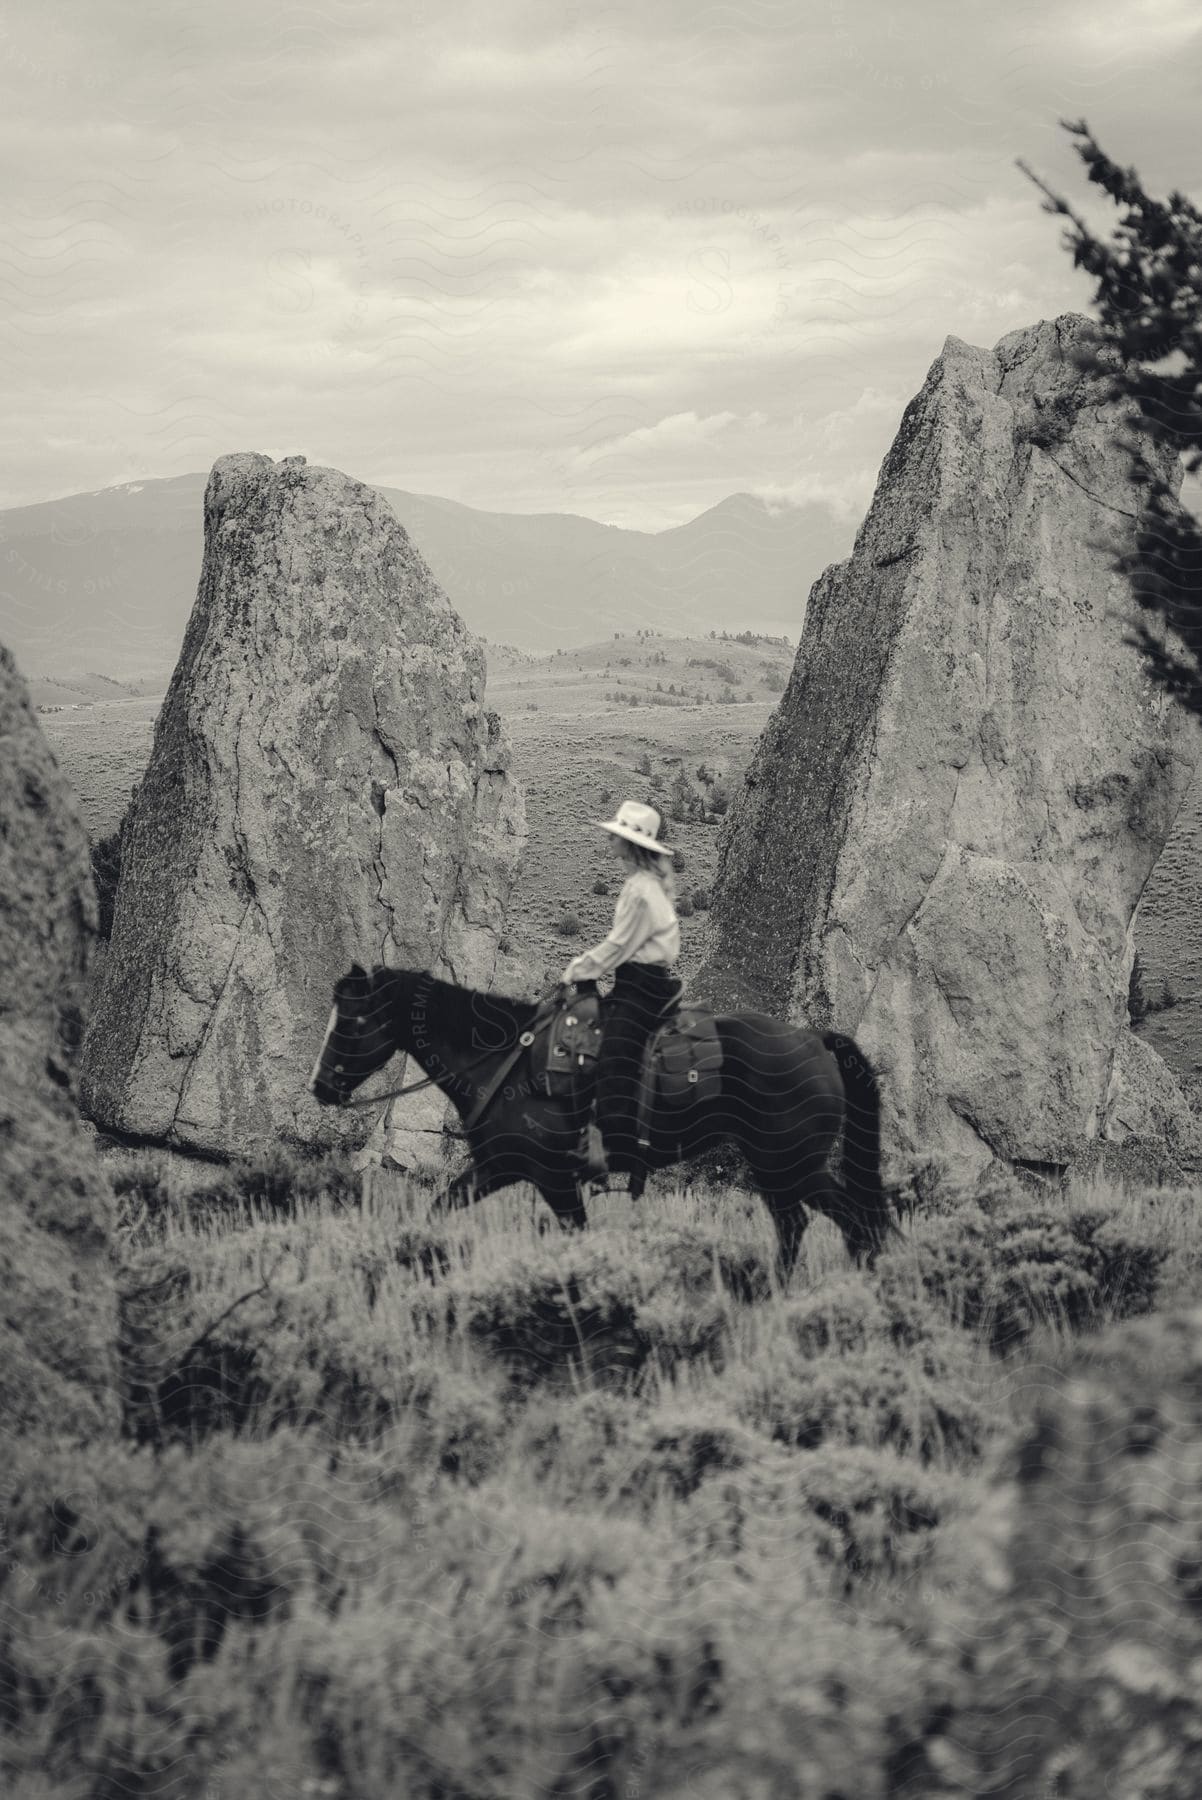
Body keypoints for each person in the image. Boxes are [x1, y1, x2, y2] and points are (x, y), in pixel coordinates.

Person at [560, 799, 682, 1182]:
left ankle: (612, 1146)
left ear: (630, 845)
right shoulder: (645, 885)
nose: (610, 839)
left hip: (640, 988)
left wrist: (579, 969)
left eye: (617, 835)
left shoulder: (640, 890)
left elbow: (618, 946)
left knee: (608, 1053)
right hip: (644, 984)